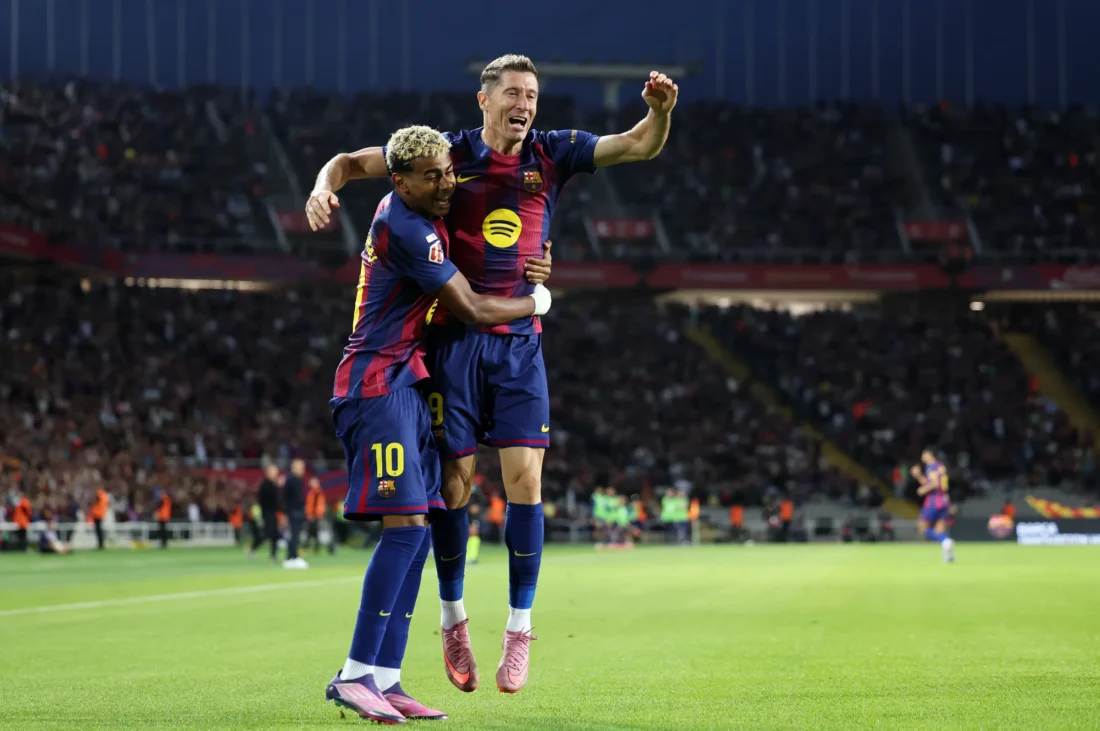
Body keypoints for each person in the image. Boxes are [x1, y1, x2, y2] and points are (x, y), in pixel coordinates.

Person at [306, 54, 678, 694]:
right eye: (512, 92)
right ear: (484, 100)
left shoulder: (553, 153)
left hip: (519, 347)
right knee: (454, 486)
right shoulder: (444, 157)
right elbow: (351, 162)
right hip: (451, 340)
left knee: (526, 479)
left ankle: (519, 630)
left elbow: (638, 144)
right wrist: (322, 187)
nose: (523, 104)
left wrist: (660, 112)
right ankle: (453, 619)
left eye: (531, 94)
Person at [323, 125, 554, 723]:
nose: (448, 182)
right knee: (404, 529)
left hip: (407, 380)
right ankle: (355, 673)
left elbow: (347, 162)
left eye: (449, 171)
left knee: (420, 529)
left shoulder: (421, 209)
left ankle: (387, 677)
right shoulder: (407, 227)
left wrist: (327, 183)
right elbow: (471, 308)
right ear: (400, 181)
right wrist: (537, 302)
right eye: (432, 176)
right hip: (377, 384)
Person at [913, 449, 956, 562]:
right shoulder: (940, 466)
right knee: (939, 530)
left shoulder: (931, 466)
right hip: (944, 499)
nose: (922, 456)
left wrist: (923, 490)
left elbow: (934, 483)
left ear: (930, 455)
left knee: (922, 527)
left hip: (934, 500)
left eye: (924, 454)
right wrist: (918, 476)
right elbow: (936, 482)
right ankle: (948, 553)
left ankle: (946, 541)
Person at [250, 465, 280, 563]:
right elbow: (266, 499)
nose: (276, 474)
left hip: (273, 513)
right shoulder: (266, 485)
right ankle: (253, 548)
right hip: (267, 513)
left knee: (275, 535)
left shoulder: (272, 484)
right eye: (274, 472)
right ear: (268, 473)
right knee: (266, 535)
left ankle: (273, 556)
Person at [283, 459, 308, 569]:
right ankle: (292, 558)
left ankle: (291, 558)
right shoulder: (291, 481)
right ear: (293, 468)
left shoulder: (299, 481)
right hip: (293, 512)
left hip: (298, 511)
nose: (302, 469)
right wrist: (286, 514)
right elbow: (286, 499)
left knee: (296, 536)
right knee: (294, 536)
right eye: (300, 467)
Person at [305, 476, 329, 554]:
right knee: (313, 532)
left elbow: (318, 505)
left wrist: (313, 515)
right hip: (314, 515)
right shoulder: (313, 492)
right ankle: (314, 548)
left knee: (313, 532)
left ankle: (313, 548)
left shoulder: (317, 492)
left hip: (315, 516)